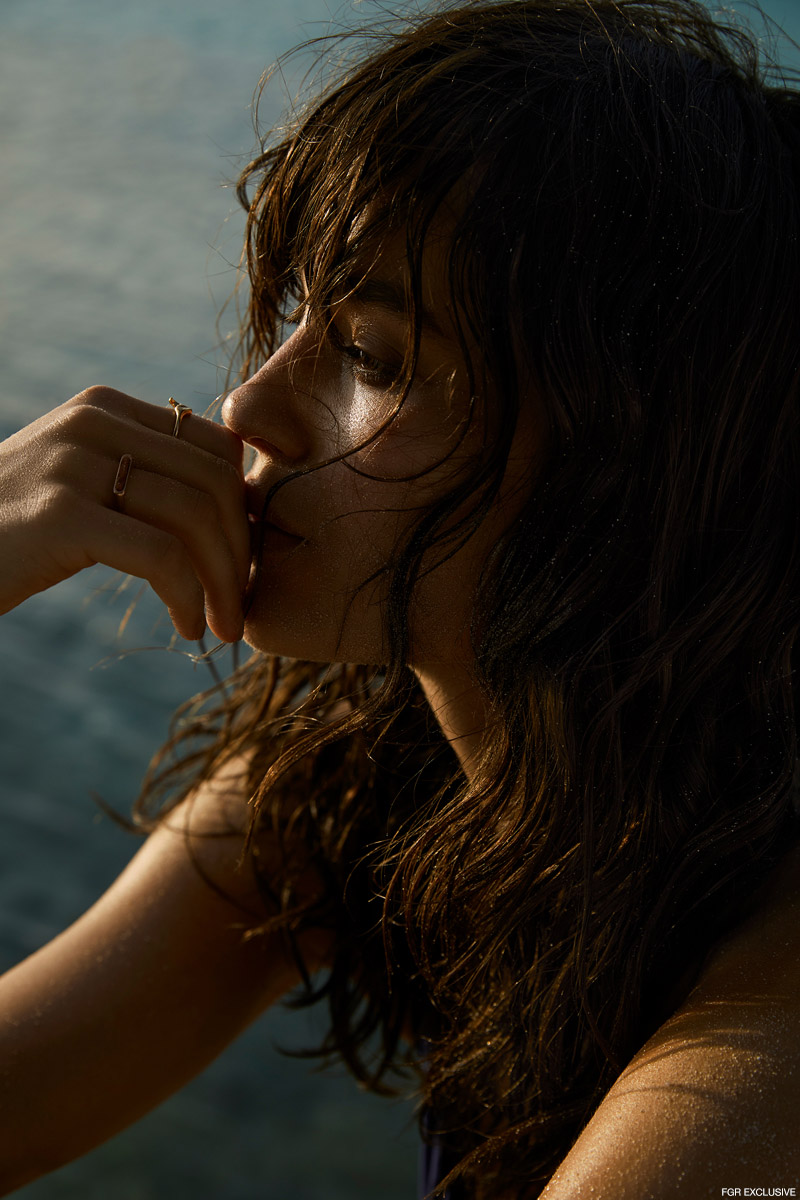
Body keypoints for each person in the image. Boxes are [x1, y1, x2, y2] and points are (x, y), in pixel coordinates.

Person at [1, 0, 799, 1195]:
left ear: (626, 460)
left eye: (368, 357)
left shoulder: (760, 1042)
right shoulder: (378, 771)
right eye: (293, 322)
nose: (249, 410)